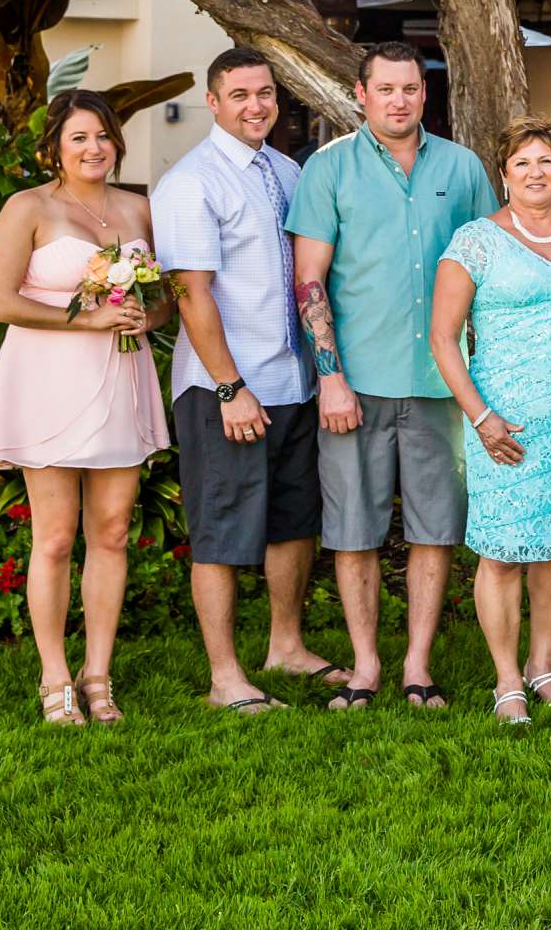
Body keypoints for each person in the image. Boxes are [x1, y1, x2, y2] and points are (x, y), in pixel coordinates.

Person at [287, 42, 497, 711]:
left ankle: (417, 666)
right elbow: (309, 279)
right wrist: (331, 377)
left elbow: (487, 271)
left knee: (436, 528)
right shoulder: (329, 170)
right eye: (386, 89)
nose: (399, 100)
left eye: (410, 89)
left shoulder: (462, 169)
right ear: (362, 92)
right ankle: (366, 666)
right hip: (358, 381)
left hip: (440, 384)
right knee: (354, 529)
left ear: (424, 94)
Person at [151, 49, 343, 716]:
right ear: (213, 101)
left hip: (292, 382)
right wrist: (231, 388)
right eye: (239, 94)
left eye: (264, 93)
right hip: (226, 390)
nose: (255, 105)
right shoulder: (190, 183)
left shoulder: (286, 171)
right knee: (223, 532)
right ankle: (225, 676)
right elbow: (191, 293)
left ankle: (285, 647)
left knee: (293, 522)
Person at [0, 89, 172, 725]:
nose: (94, 149)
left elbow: (167, 298)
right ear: (54, 149)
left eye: (103, 137)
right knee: (56, 537)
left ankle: (98, 676)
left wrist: (148, 313)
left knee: (113, 531)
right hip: (47, 381)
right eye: (79, 139)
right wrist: (84, 318)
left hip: (122, 376)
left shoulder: (140, 208)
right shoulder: (28, 207)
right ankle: (55, 678)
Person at [430, 118, 551, 725]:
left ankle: (543, 666)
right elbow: (442, 338)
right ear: (503, 174)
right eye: (522, 164)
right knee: (504, 551)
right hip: (503, 426)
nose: (536, 173)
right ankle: (506, 680)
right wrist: (481, 417)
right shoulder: (475, 242)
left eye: (546, 161)